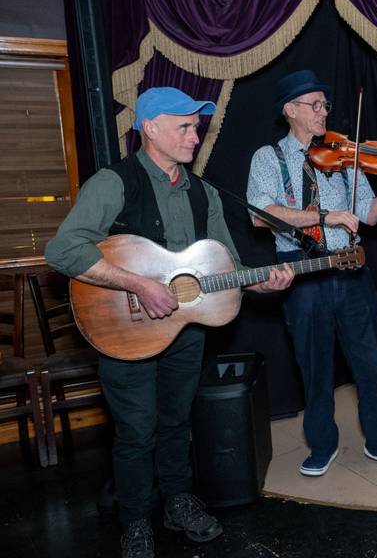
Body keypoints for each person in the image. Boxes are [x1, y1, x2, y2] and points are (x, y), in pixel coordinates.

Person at [45, 87, 294, 558]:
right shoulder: (113, 182)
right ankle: (135, 520)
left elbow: (227, 268)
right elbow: (62, 251)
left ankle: (178, 502)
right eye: (183, 126)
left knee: (177, 421)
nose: (194, 136)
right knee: (137, 431)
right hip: (124, 330)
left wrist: (261, 282)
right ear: (149, 128)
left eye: (196, 126)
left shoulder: (204, 192)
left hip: (185, 329)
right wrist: (137, 284)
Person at [247, 69, 377, 479]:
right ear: (290, 110)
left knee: (371, 365)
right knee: (314, 367)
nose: (324, 112)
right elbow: (260, 215)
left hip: (351, 272)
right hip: (304, 274)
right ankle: (322, 445)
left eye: (325, 105)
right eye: (315, 105)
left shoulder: (346, 157)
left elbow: (371, 215)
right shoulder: (268, 158)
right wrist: (324, 216)